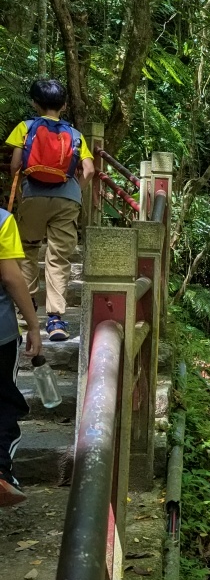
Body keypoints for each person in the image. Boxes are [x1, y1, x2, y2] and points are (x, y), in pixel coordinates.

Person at [6, 79, 94, 342]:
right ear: (64, 105)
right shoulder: (76, 135)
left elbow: (14, 165)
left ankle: (27, 309)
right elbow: (89, 170)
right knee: (58, 258)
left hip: (33, 195)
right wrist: (75, 188)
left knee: (28, 249)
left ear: (35, 103)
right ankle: (56, 320)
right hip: (67, 200)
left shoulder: (25, 127)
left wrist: (22, 191)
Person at [0, 207, 42, 505]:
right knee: (4, 401)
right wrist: (34, 325)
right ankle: (1, 472)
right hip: (0, 335)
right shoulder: (2, 220)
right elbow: (11, 276)